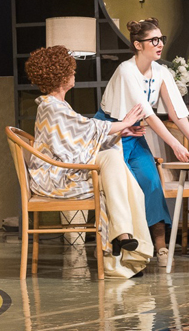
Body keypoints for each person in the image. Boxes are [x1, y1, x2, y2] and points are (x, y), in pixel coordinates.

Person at [95, 18, 189, 265]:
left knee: (151, 183)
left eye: (161, 39)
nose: (160, 44)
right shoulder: (126, 70)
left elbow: (175, 112)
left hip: (134, 134)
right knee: (123, 187)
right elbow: (149, 115)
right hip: (111, 134)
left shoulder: (161, 72)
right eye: (153, 40)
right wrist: (175, 145)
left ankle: (160, 246)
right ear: (138, 45)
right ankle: (123, 248)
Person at [25, 46, 154, 278]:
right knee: (117, 178)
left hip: (63, 171)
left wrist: (121, 132)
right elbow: (87, 129)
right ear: (61, 75)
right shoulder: (51, 107)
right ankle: (121, 248)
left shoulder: (57, 106)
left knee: (114, 163)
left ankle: (122, 238)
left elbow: (80, 137)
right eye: (71, 71)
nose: (74, 74)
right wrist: (124, 123)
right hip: (56, 179)